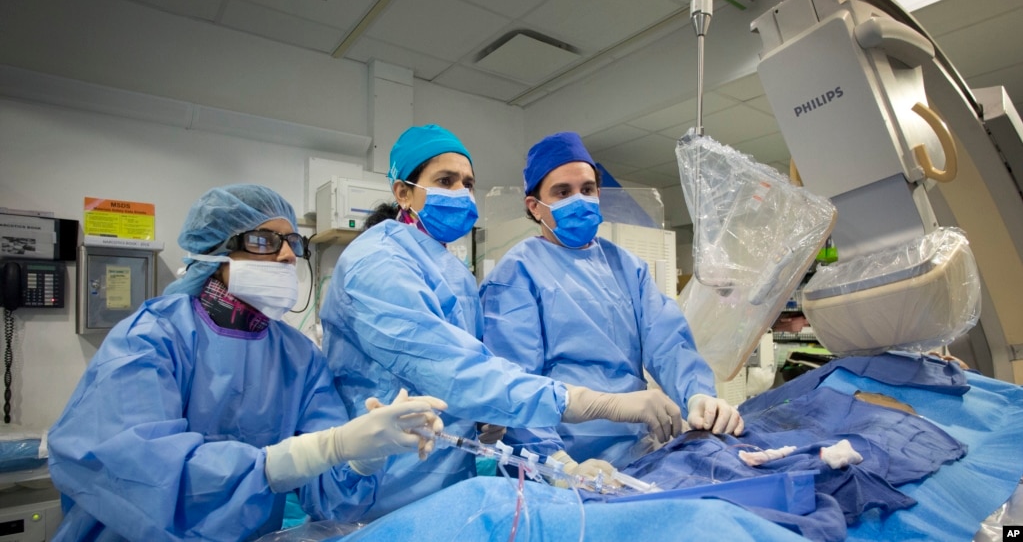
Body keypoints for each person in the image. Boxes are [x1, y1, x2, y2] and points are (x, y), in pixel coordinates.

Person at [320, 124, 684, 520]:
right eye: (445, 181)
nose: (460, 193)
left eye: (468, 183)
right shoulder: (378, 263)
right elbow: (453, 373)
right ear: (403, 192)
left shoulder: (453, 272)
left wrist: (483, 419)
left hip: (444, 477)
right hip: (378, 480)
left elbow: (480, 371)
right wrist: (594, 403)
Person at [47, 184, 446, 541]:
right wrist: (288, 459)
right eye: (264, 240)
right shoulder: (152, 337)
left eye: (292, 241)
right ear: (213, 251)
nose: (289, 255)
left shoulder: (299, 357)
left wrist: (361, 456)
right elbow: (135, 469)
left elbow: (332, 500)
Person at [478, 132, 743, 469]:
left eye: (587, 189)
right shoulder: (516, 275)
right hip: (561, 458)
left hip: (639, 449)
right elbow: (516, 386)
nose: (579, 199)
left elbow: (668, 343)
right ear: (535, 207)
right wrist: (556, 465)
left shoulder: (628, 268)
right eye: (563, 192)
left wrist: (697, 395)